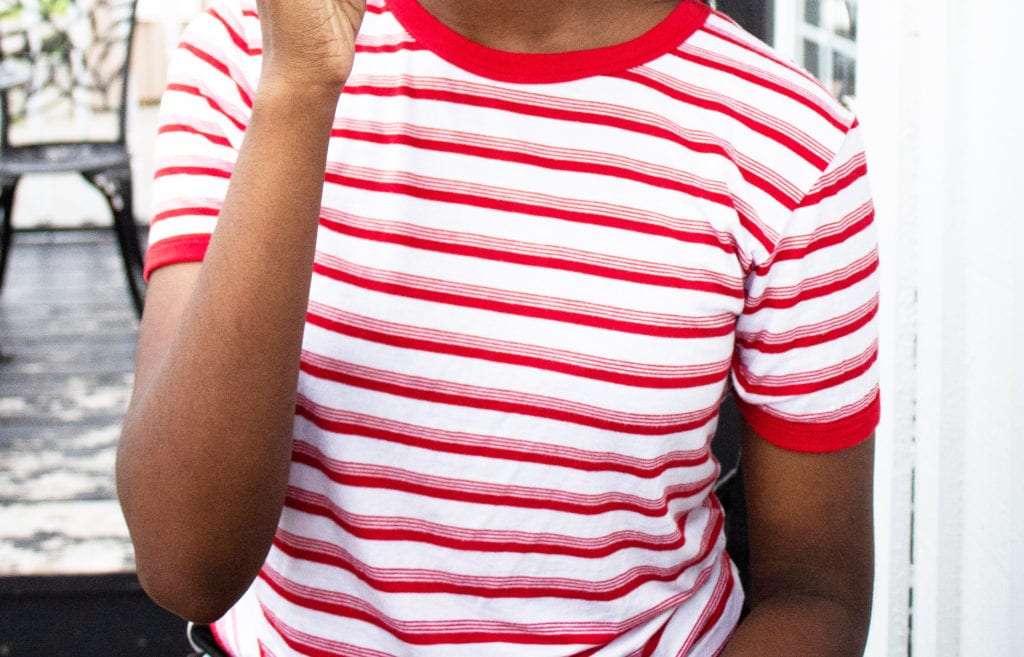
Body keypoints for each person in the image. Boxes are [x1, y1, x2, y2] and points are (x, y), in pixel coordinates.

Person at [116, 0, 880, 655]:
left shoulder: (793, 145)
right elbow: (187, 566)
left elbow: (817, 587)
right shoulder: (248, 59)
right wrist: (300, 88)